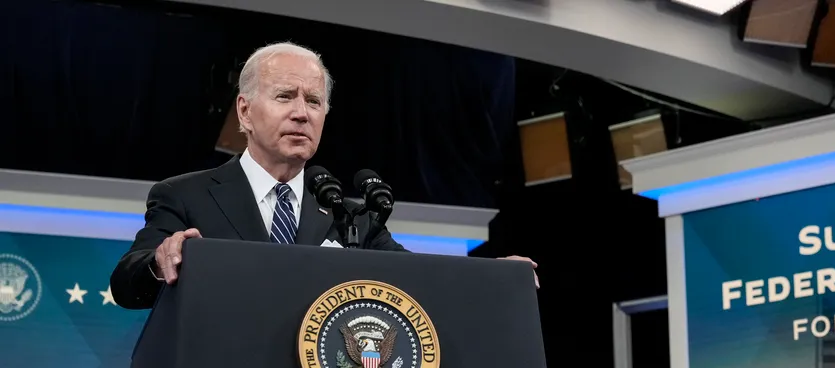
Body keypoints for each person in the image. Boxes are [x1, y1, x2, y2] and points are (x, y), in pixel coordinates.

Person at [109, 41, 536, 310]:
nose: (301, 112)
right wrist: (158, 264)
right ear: (244, 112)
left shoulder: (350, 216)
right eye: (284, 97)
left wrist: (494, 279)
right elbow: (127, 285)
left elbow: (419, 280)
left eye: (313, 101)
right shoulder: (185, 195)